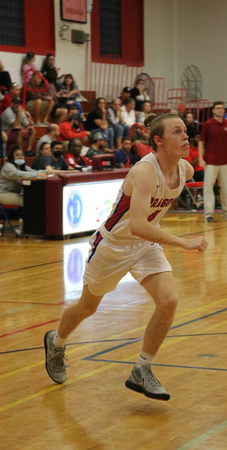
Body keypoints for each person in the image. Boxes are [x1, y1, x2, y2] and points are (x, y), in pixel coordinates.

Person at [43, 112, 208, 401]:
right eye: (177, 133)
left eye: (186, 131)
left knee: (169, 300)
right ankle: (56, 343)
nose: (186, 137)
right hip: (112, 246)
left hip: (144, 246)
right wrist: (184, 243)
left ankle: (142, 369)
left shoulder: (186, 170)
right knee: (87, 307)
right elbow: (137, 225)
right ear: (158, 140)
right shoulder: (144, 172)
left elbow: (147, 227)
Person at [198, 101, 227, 222]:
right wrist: (201, 158)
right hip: (211, 162)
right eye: (218, 108)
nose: (220, 110)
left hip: (225, 161)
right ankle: (208, 215)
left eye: (222, 108)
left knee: (226, 189)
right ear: (213, 110)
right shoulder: (207, 124)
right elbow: (201, 142)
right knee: (208, 188)